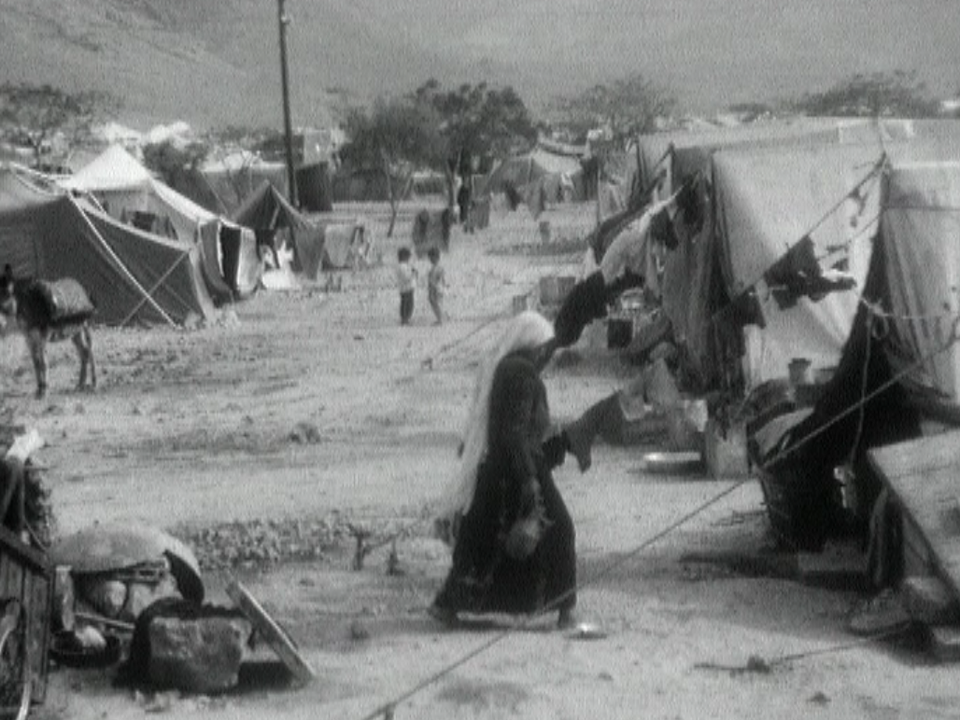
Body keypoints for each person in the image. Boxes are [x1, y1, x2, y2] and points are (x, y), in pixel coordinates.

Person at [429, 311, 597, 630]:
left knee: (482, 541)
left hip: (497, 470)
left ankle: (449, 604)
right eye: (545, 349)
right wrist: (529, 480)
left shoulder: (508, 369)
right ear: (534, 346)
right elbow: (515, 432)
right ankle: (564, 610)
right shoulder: (521, 374)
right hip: (517, 469)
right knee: (560, 528)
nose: (548, 356)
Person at [552, 180, 701, 349]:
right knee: (590, 296)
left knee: (589, 297)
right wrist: (658, 293)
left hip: (616, 262)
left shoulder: (656, 216)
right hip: (617, 261)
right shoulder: (647, 232)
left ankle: (564, 335)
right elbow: (652, 266)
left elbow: (653, 261)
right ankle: (563, 336)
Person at [396, 246, 417, 326]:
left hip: (405, 288)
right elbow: (406, 277)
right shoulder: (402, 266)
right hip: (406, 288)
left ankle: (405, 318)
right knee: (408, 304)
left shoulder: (403, 266)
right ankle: (405, 318)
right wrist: (413, 274)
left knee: (405, 303)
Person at [426, 246, 447, 325]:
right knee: (435, 303)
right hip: (437, 288)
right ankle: (440, 317)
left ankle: (440, 319)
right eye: (430, 258)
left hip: (436, 288)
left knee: (436, 303)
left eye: (432, 258)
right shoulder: (437, 267)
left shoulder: (437, 268)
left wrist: (434, 287)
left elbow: (438, 279)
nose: (431, 260)